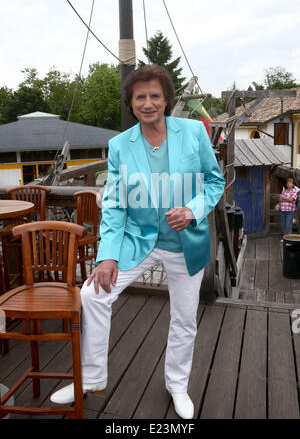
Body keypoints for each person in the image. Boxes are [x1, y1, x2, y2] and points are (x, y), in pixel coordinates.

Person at [50, 64, 225, 419]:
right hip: (137, 240)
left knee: (184, 319)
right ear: (131, 104)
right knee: (93, 293)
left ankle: (177, 385)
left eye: (154, 96)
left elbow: (214, 182)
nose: (148, 103)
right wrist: (107, 256)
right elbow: (113, 204)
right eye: (140, 97)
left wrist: (192, 210)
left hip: (185, 244)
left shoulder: (193, 132)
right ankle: (93, 377)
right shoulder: (119, 145)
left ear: (166, 100)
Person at [279, 177, 298, 242]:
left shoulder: (294, 191)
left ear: (293, 184)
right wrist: (287, 198)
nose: (289, 184)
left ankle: (289, 240)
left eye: (290, 183)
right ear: (287, 184)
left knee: (288, 225)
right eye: (288, 183)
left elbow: (291, 199)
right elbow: (280, 199)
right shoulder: (285, 191)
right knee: (283, 224)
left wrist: (284, 198)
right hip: (283, 210)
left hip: (290, 211)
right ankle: (285, 238)